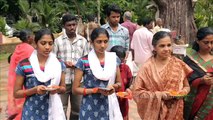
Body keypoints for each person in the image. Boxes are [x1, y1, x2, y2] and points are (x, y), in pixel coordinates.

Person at [132, 31, 193, 120]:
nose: (166, 49)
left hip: (175, 111)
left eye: (169, 45)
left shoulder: (178, 64)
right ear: (154, 47)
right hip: (154, 115)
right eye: (162, 46)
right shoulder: (147, 67)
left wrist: (182, 93)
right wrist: (160, 95)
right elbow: (137, 93)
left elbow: (186, 86)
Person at [14, 29, 66, 120]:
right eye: (43, 43)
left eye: (50, 43)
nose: (47, 47)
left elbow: (63, 88)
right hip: (31, 112)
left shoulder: (59, 64)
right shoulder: (24, 65)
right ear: (35, 44)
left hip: (53, 111)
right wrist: (34, 90)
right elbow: (16, 93)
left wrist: (57, 89)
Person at [72, 28, 123, 120]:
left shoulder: (113, 59)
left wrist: (113, 87)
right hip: (89, 105)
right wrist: (95, 90)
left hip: (109, 103)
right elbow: (75, 89)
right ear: (92, 42)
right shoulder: (84, 61)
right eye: (99, 42)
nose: (103, 45)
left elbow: (119, 83)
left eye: (105, 41)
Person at [53, 14, 89, 120]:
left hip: (79, 81)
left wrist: (78, 65)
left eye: (74, 25)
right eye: (69, 25)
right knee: (61, 108)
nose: (72, 27)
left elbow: (86, 60)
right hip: (63, 81)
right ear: (64, 26)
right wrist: (63, 63)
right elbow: (53, 59)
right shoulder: (58, 41)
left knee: (77, 109)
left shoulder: (83, 41)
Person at [183, 27, 213, 120]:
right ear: (197, 41)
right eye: (206, 42)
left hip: (210, 104)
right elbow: (183, 81)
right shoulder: (188, 59)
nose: (209, 46)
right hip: (193, 102)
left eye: (212, 42)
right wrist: (201, 81)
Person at [7, 29, 34, 120]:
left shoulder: (18, 48)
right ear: (29, 38)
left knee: (18, 103)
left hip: (15, 81)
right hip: (26, 82)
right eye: (32, 36)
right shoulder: (30, 49)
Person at [110, 45, 133, 120]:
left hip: (122, 101)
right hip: (110, 100)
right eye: (117, 61)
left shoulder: (126, 68)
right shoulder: (107, 69)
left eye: (122, 61)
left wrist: (128, 89)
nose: (119, 63)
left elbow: (130, 83)